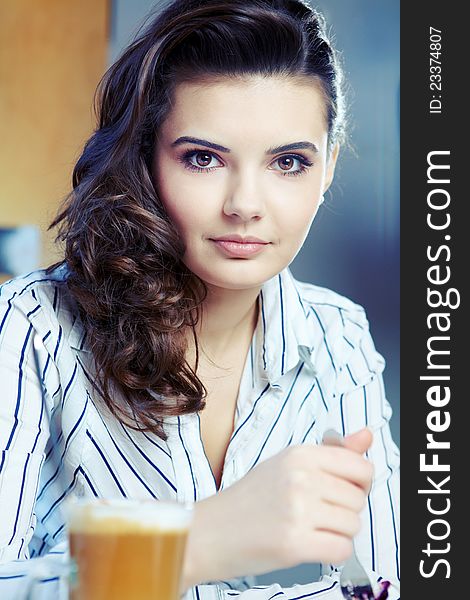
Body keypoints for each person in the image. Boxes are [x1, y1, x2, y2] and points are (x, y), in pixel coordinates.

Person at [0, 0, 400, 598]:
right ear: (144, 160)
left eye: (288, 162)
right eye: (203, 158)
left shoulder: (338, 336)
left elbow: (385, 581)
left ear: (327, 171)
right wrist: (191, 545)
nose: (245, 204)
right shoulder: (35, 324)